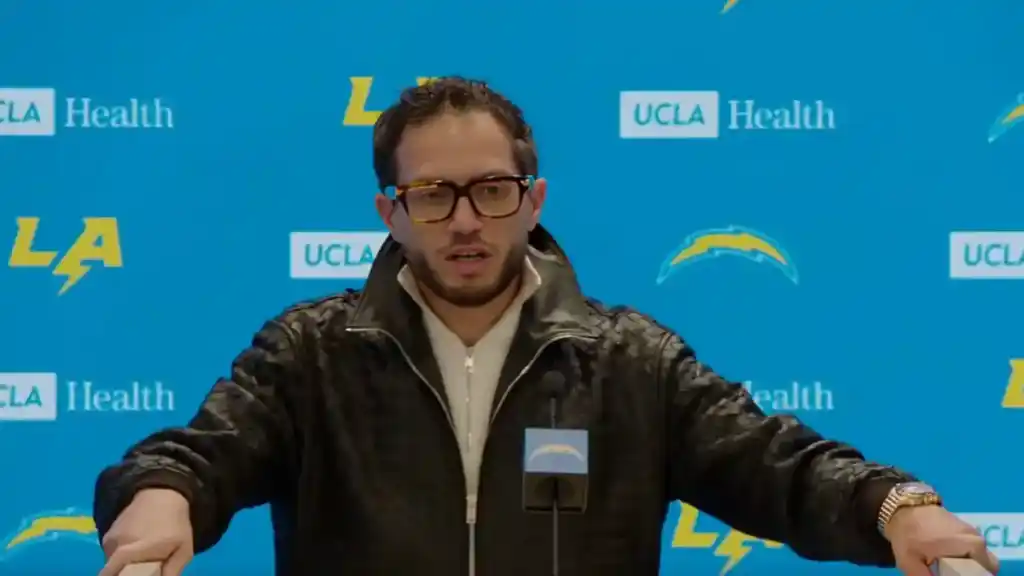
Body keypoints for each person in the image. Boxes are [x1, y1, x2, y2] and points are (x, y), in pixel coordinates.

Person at [93, 77, 997, 576]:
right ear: (389, 212)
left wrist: (897, 507)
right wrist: (163, 498)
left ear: (534, 200)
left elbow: (779, 466)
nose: (464, 220)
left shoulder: (630, 360)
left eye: (491, 190)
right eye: (432, 195)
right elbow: (197, 457)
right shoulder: (311, 354)